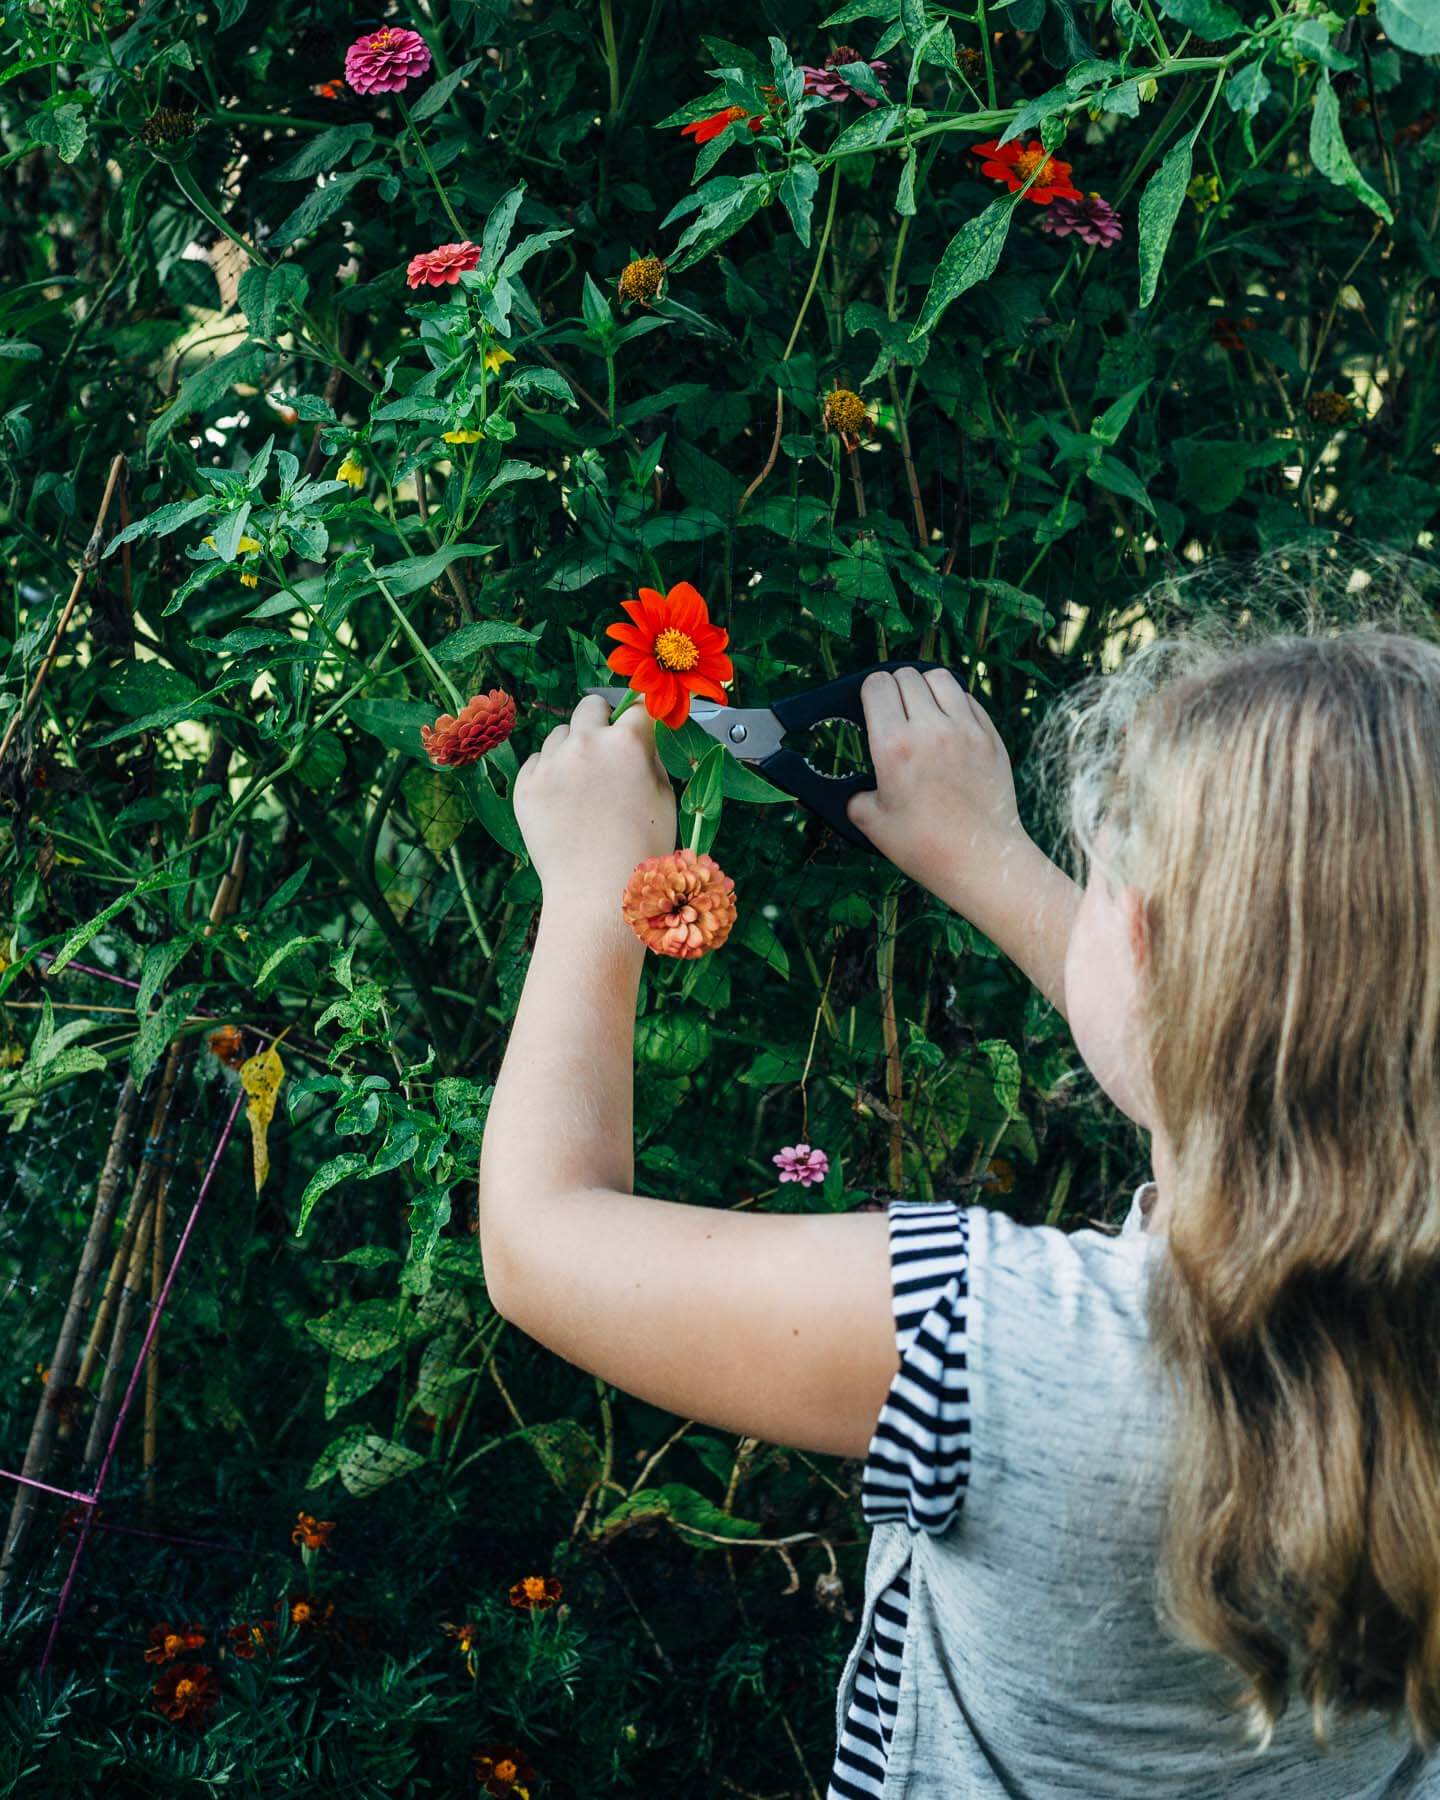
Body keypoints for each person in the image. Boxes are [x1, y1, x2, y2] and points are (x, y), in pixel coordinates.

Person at [478, 627, 1440, 1798]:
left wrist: (592, 891)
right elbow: (1257, 1078)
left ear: (1138, 948)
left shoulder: (990, 1343)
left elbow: (540, 1238)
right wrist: (984, 856)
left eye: (1093, 886)